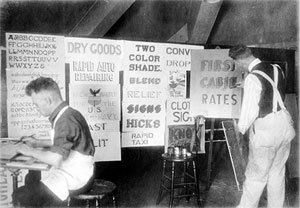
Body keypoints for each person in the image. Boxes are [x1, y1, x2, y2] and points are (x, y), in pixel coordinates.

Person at [228, 46, 295, 208]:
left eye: (236, 63)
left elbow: (249, 112)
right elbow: (270, 89)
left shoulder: (252, 79)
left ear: (239, 61)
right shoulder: (276, 68)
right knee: (277, 174)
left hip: (266, 131)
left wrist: (240, 128)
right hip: (284, 124)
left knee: (255, 178)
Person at [12, 77, 95, 207]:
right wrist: (38, 143)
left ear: (48, 100)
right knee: (30, 180)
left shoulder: (65, 121)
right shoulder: (68, 113)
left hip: (77, 177)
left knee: (22, 195)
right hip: (78, 169)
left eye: (36, 104)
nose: (36, 108)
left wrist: (30, 151)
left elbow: (55, 159)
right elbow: (65, 143)